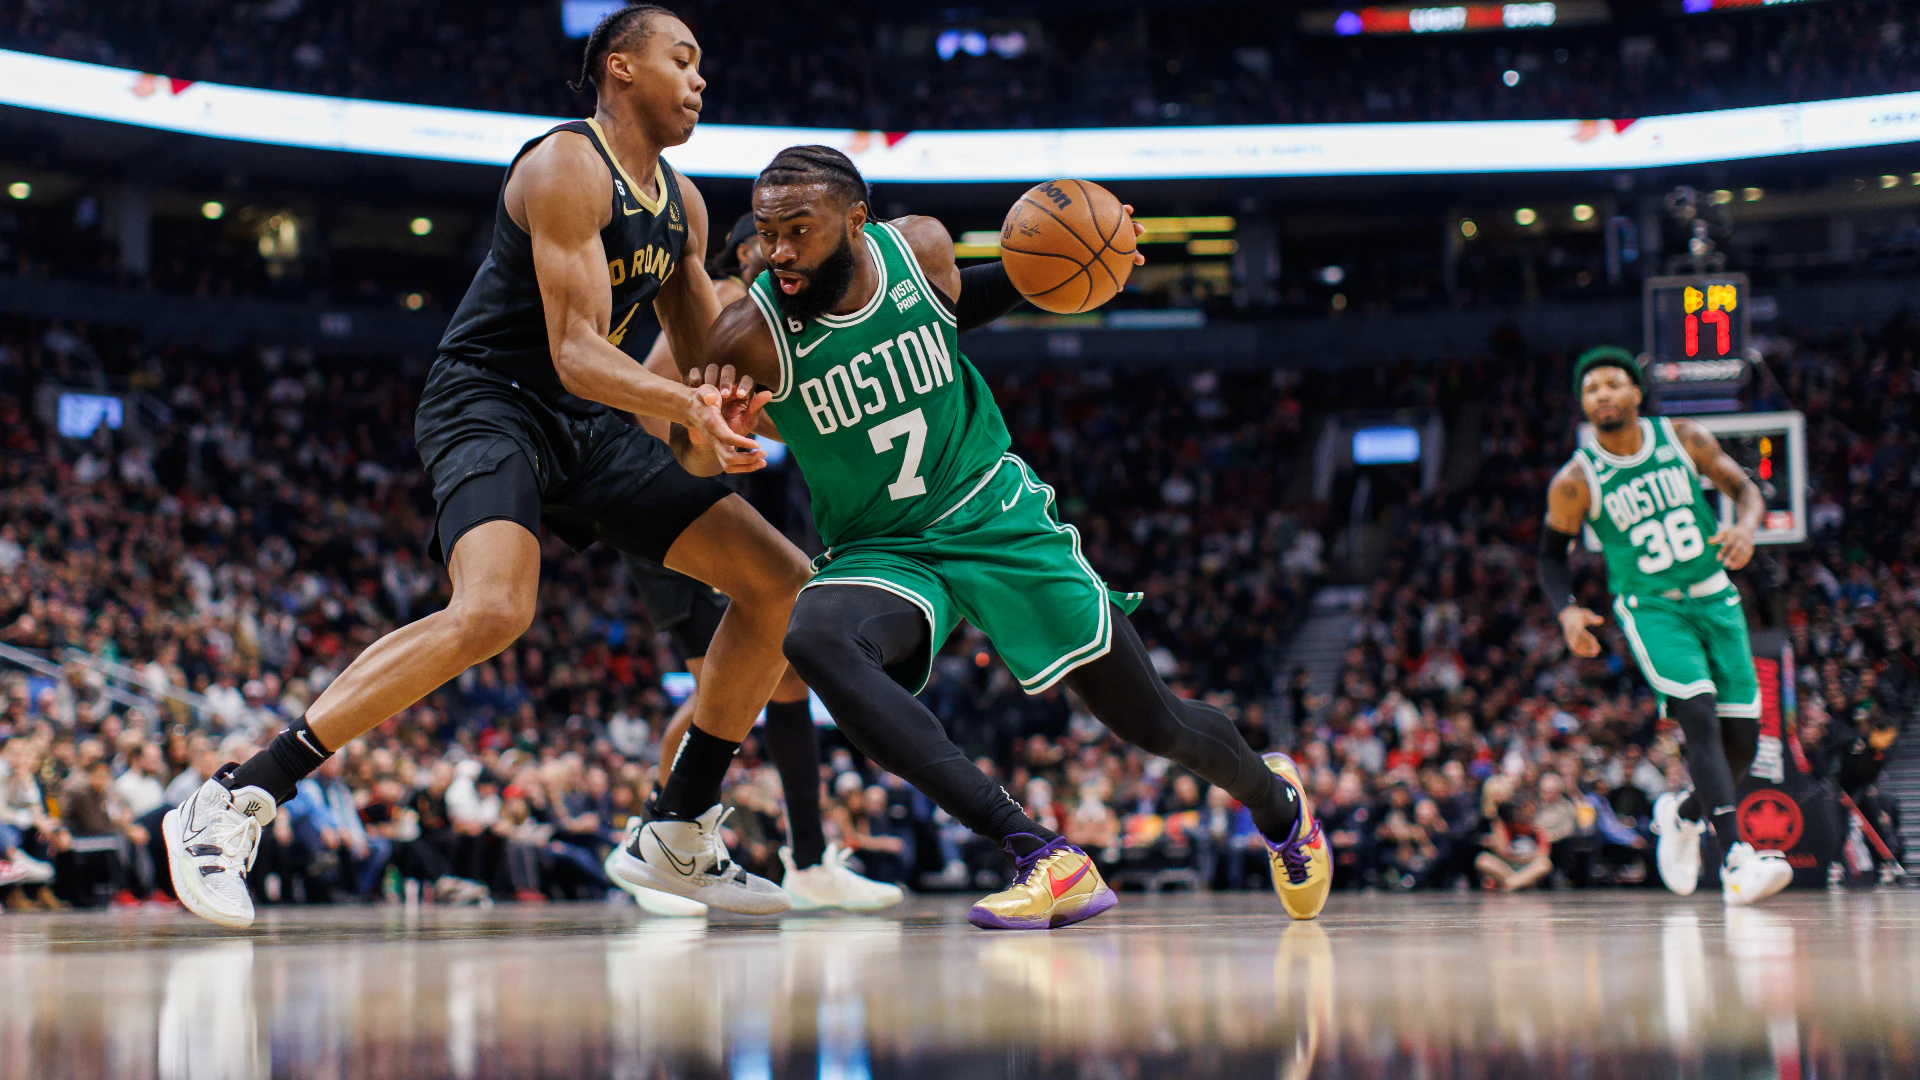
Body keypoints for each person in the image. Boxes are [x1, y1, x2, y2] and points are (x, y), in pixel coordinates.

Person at [164, 4, 812, 930]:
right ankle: (235, 797)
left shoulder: (687, 205)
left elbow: (703, 356)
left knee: (781, 583)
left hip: (589, 423)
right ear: (621, 69)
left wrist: (727, 414)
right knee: (495, 610)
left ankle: (676, 830)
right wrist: (685, 406)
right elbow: (576, 349)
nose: (702, 79)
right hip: (491, 399)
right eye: (684, 58)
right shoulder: (563, 167)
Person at [681, 144, 1330, 930]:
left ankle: (1278, 801)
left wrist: (1087, 252)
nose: (779, 251)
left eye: (800, 230)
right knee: (814, 635)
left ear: (857, 220)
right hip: (884, 547)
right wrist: (716, 440)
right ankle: (1039, 852)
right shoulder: (747, 334)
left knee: (1155, 723)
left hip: (993, 513)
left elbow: (959, 302)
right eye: (767, 231)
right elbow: (695, 443)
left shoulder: (920, 246)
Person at [607, 211, 900, 915]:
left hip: (697, 501)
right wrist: (681, 477)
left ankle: (805, 858)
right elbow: (646, 402)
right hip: (661, 504)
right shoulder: (731, 305)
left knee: (785, 668)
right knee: (722, 679)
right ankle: (651, 836)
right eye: (779, 247)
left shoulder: (763, 318)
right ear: (748, 254)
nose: (793, 261)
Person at [1539, 346, 1793, 906]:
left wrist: (1748, 528)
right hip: (1651, 607)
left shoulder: (1684, 437)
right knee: (1697, 713)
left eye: (1611, 384)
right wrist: (1568, 609)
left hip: (1716, 598)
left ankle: (1680, 816)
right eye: (1590, 389)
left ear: (1634, 392)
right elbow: (1550, 557)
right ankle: (1735, 859)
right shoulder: (1575, 480)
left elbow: (1746, 488)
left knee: (1743, 747)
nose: (1601, 395)